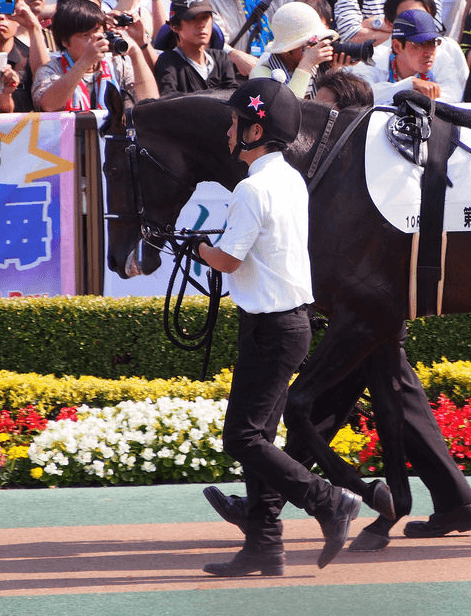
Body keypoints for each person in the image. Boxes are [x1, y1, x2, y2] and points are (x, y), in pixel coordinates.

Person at [195, 78, 364, 576]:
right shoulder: (289, 177)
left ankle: (328, 501)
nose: (229, 131)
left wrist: (200, 248)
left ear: (254, 130)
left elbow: (226, 259)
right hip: (289, 323)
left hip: (270, 327)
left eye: (234, 122)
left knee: (243, 438)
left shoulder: (251, 187)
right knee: (261, 436)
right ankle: (264, 544)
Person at [31, 0, 158, 111]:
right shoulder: (50, 70)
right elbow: (49, 105)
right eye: (85, 35)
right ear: (64, 41)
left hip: (114, 137)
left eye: (97, 31)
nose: (95, 39)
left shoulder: (116, 64)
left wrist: (135, 53)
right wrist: (85, 62)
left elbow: (151, 103)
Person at [348, 8, 469, 103]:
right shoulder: (373, 59)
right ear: (397, 46)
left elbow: (454, 96)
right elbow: (362, 96)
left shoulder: (442, 57)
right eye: (420, 44)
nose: (429, 52)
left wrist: (413, 96)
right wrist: (410, 84)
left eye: (433, 43)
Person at [248, 1, 339, 99]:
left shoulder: (317, 67)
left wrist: (334, 69)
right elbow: (286, 109)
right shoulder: (261, 73)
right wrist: (305, 66)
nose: (314, 48)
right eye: (309, 44)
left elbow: (328, 107)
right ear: (287, 50)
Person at [153, 0, 239, 95]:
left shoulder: (220, 58)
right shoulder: (168, 61)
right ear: (174, 26)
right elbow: (170, 100)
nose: (201, 25)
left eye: (205, 17)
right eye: (192, 18)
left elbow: (233, 94)